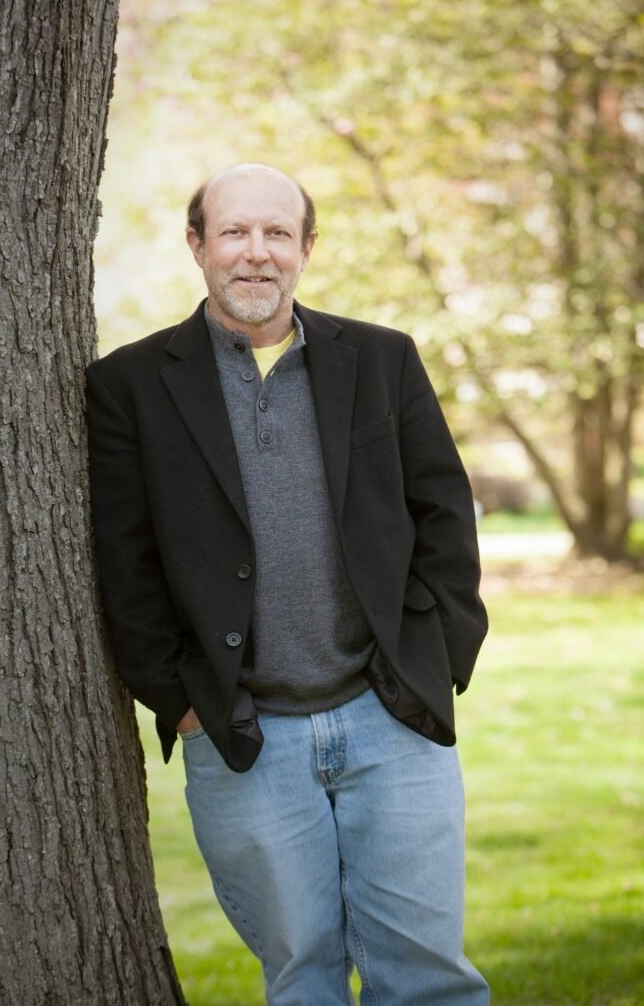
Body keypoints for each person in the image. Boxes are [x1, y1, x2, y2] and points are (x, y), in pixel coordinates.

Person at [86, 163, 490, 1006]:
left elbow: (444, 514)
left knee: (428, 979)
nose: (256, 254)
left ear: (307, 249)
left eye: (278, 234)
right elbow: (125, 564)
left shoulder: (382, 359)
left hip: (393, 718)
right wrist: (180, 698)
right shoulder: (128, 385)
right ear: (197, 245)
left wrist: (440, 654)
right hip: (243, 737)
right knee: (301, 978)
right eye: (235, 232)